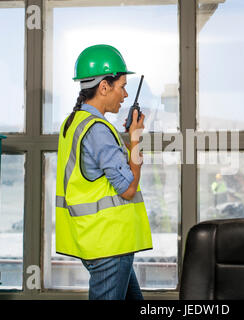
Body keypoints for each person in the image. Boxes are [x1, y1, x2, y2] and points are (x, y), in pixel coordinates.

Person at [55, 44, 152, 300]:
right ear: (104, 87)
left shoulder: (73, 122)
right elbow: (128, 189)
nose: (125, 93)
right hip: (110, 244)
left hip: (95, 240)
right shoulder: (97, 129)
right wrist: (136, 139)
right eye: (121, 86)